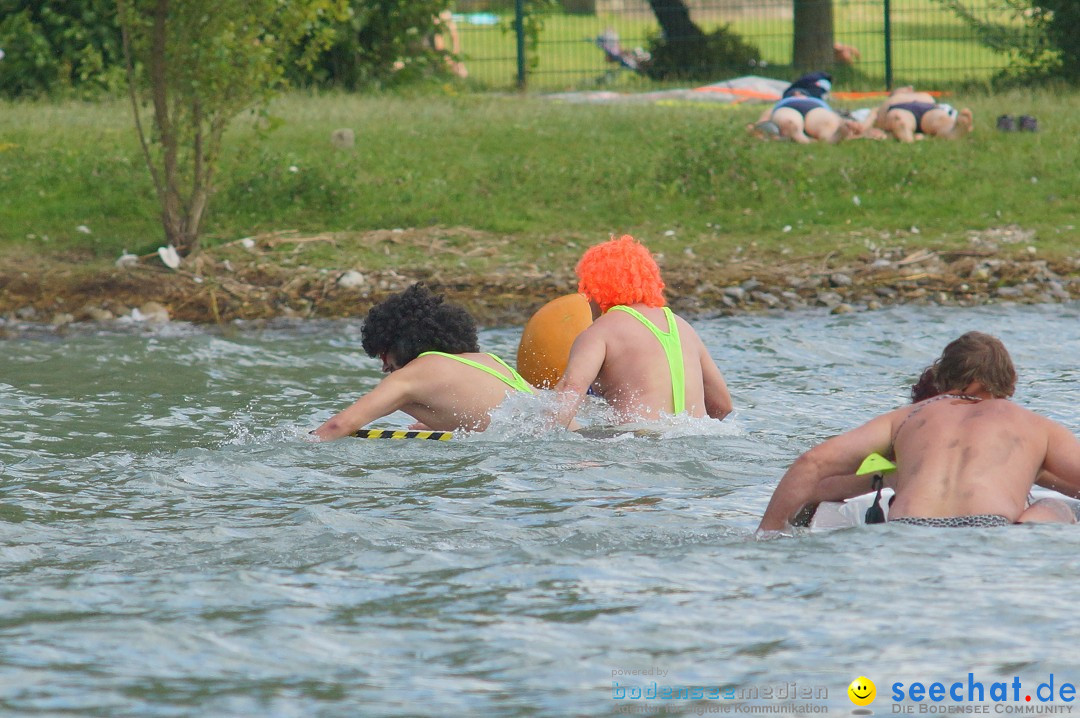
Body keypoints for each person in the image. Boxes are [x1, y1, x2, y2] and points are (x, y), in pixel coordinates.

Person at [758, 332, 1080, 531]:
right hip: (992, 529)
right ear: (993, 383)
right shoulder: (1033, 426)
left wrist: (767, 531)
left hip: (908, 530)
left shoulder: (905, 419)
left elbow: (812, 463)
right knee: (1056, 508)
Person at [552, 235, 733, 428]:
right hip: (694, 439)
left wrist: (540, 436)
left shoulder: (600, 332)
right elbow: (723, 406)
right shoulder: (683, 326)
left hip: (634, 444)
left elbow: (570, 390)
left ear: (595, 289)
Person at [312, 283, 532, 440]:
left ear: (399, 343)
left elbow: (338, 425)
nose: (384, 367)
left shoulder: (413, 375)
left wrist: (303, 447)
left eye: (382, 355)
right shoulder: (488, 359)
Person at [862, 86, 974, 142]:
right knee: (900, 118)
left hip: (929, 108)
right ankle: (906, 135)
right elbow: (871, 117)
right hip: (899, 108)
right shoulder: (893, 99)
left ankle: (952, 131)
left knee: (940, 119)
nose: (908, 88)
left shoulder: (922, 95)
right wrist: (863, 128)